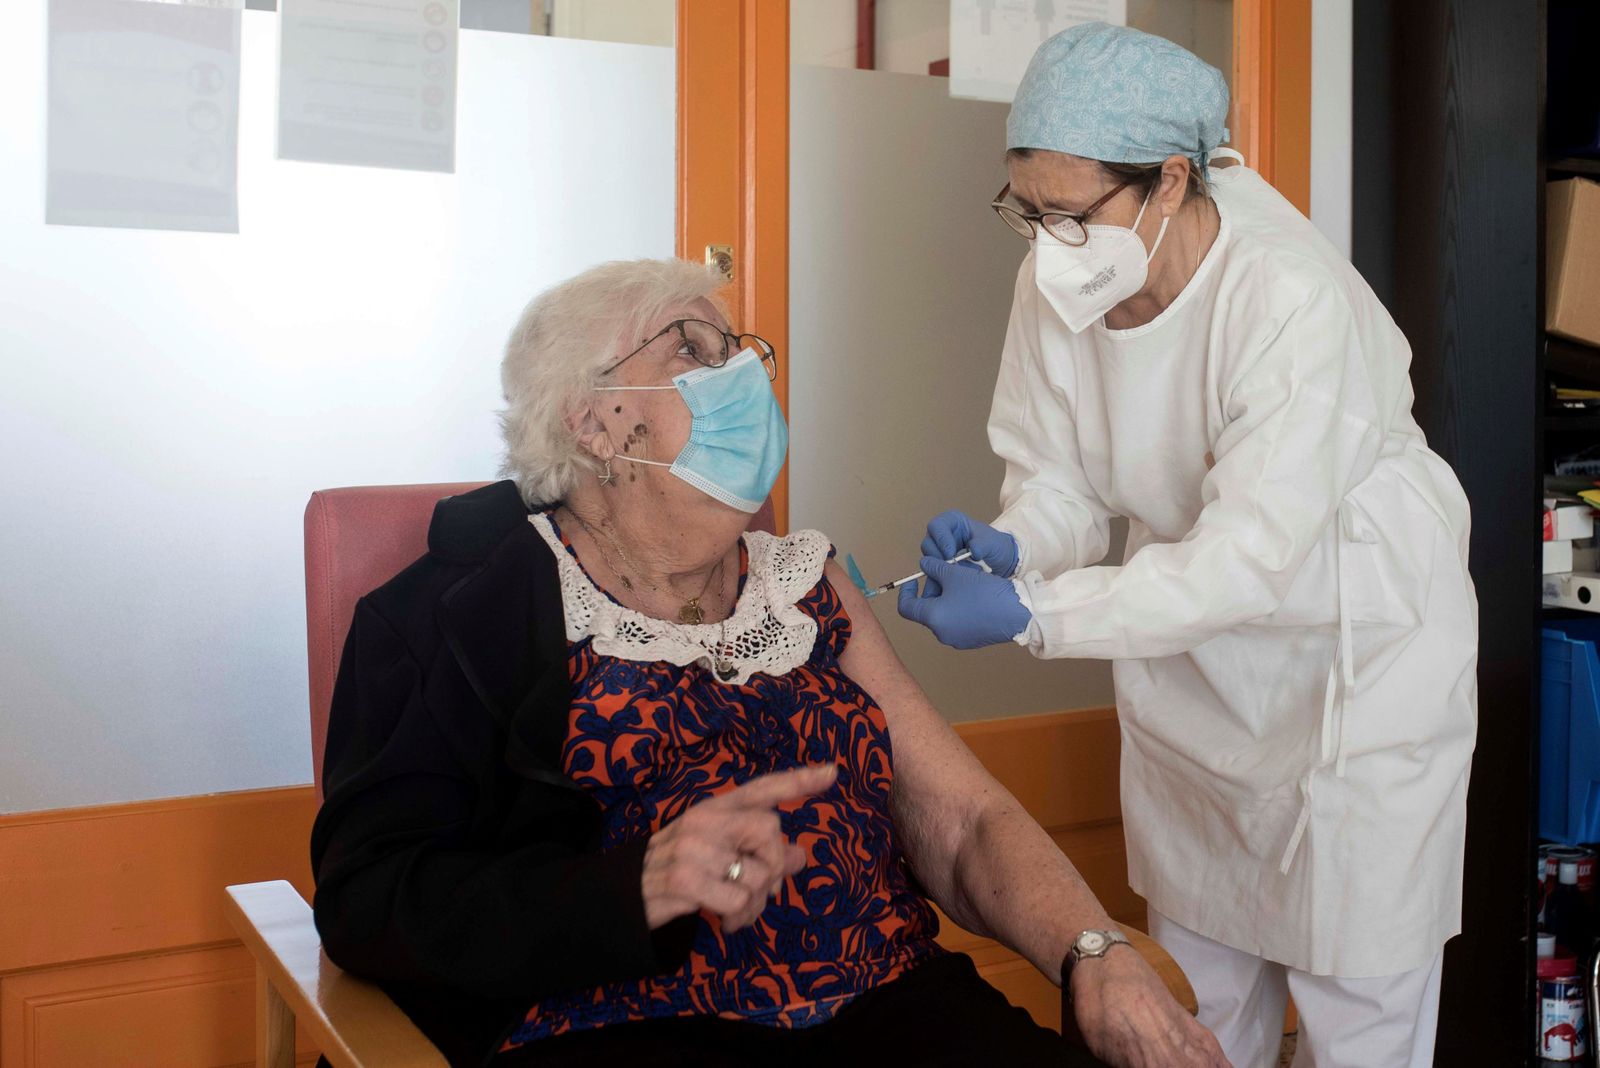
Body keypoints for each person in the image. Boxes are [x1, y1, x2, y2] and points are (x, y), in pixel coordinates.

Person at [310, 258, 1227, 1068]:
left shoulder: (802, 585)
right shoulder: (457, 608)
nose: (742, 374)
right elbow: (370, 897)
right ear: (593, 424)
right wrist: (630, 887)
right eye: (692, 351)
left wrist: (1096, 954)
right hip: (619, 1028)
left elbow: (965, 821)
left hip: (890, 1012)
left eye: (738, 349)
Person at [897, 23, 1477, 1068]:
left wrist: (1037, 614)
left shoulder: (1286, 296)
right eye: (1026, 212)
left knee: (1360, 1021)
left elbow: (1246, 559)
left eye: (1069, 215)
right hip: (1191, 676)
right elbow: (1065, 479)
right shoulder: (1062, 275)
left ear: (1169, 179)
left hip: (1353, 678)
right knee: (1194, 1009)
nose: (1046, 244)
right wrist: (1017, 544)